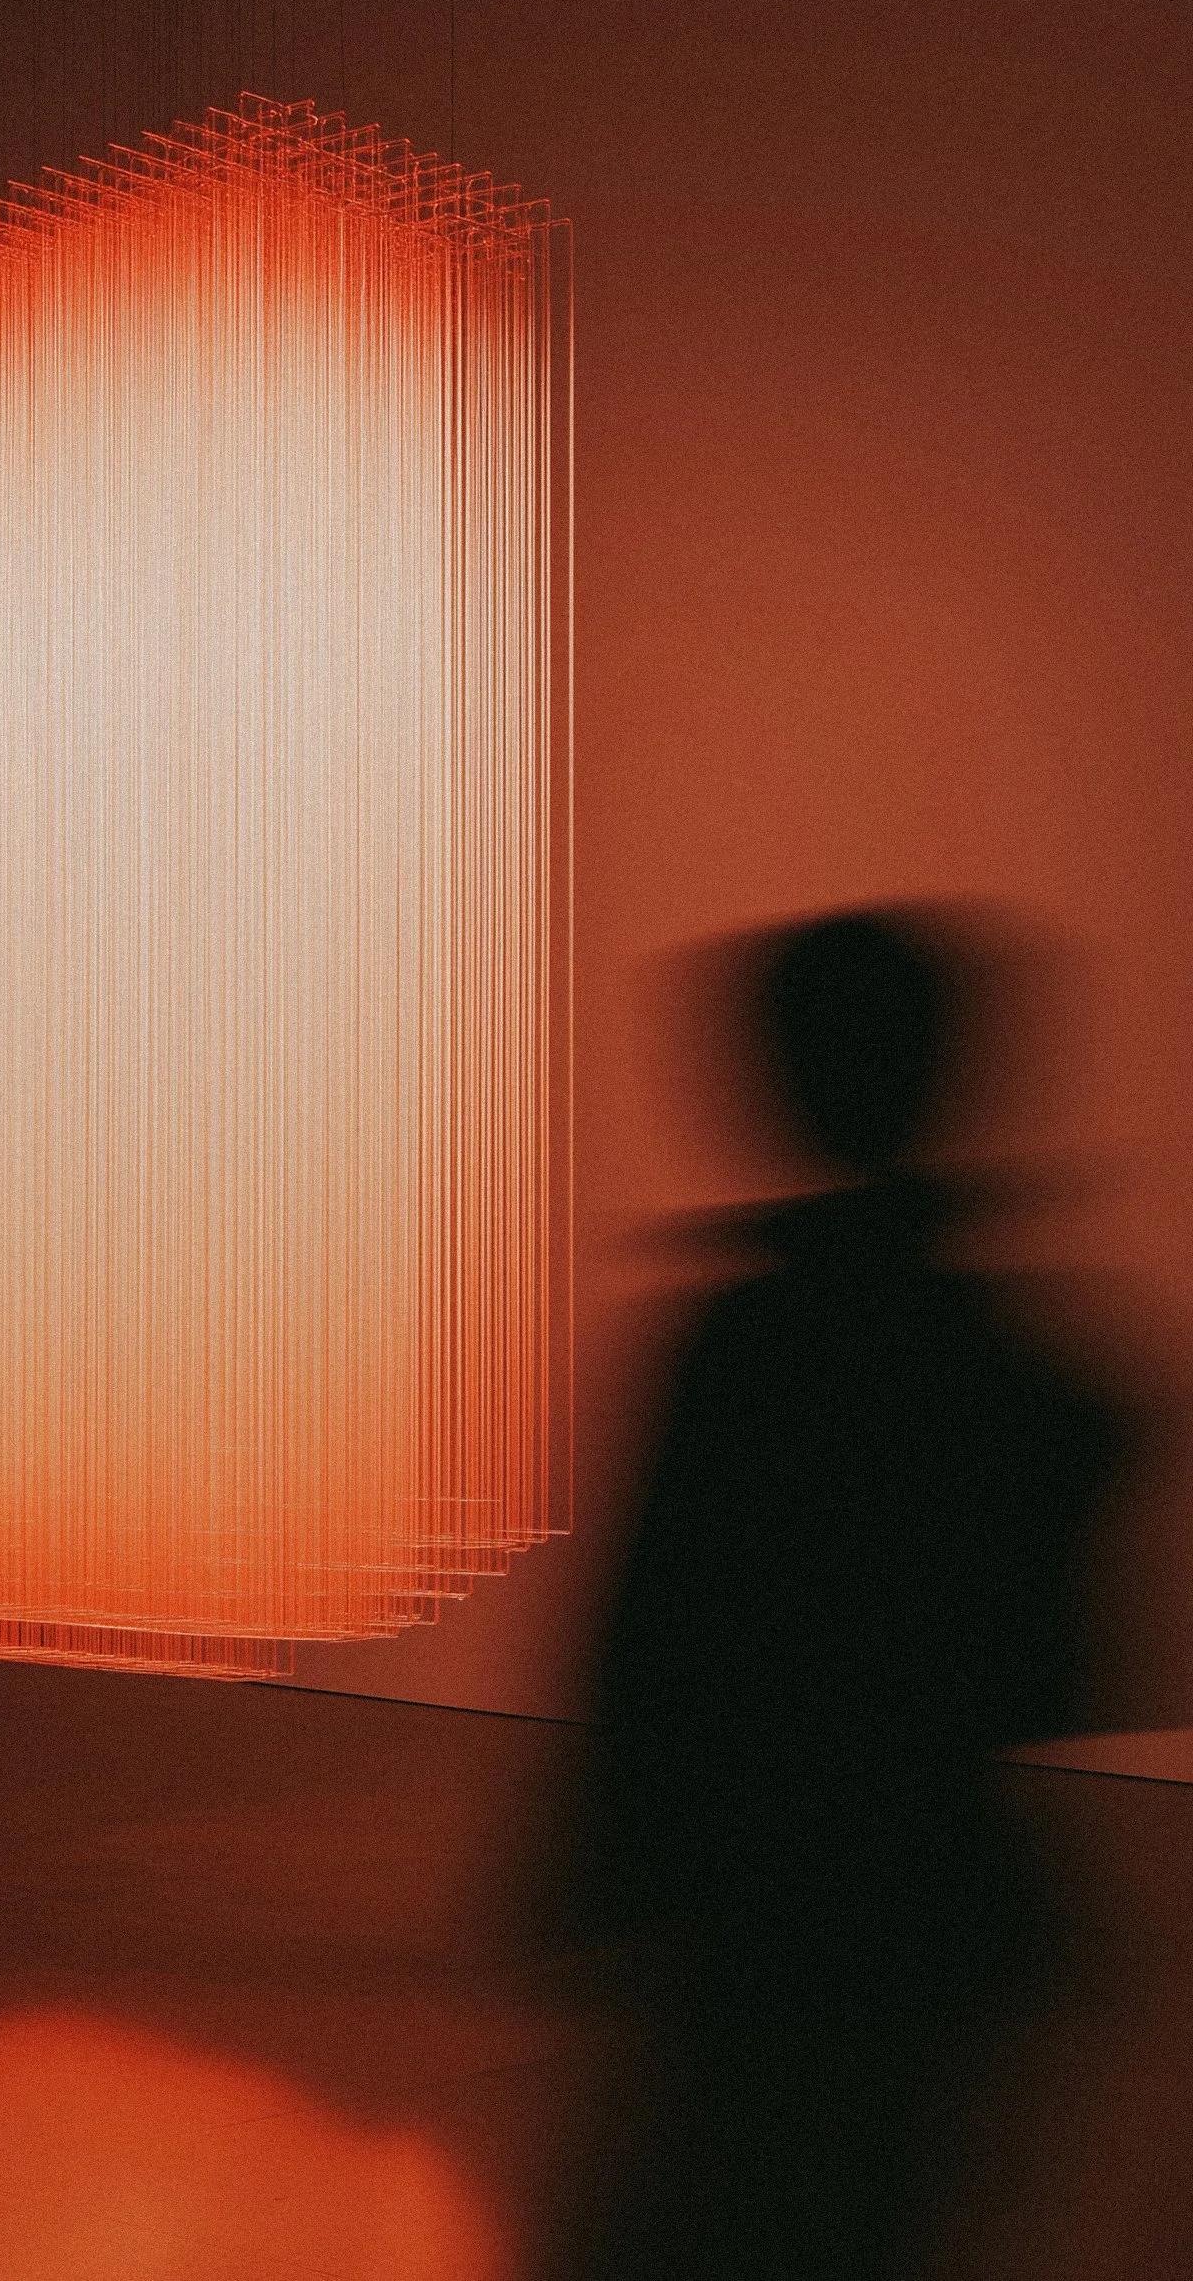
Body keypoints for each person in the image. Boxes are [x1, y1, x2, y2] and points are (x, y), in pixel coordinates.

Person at [573, 908, 1124, 2281]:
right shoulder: (1013, 1356)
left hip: (767, 1901)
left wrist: (600, 1851)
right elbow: (1051, 1661)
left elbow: (655, 1636)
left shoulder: (745, 1342)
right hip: (930, 1893)